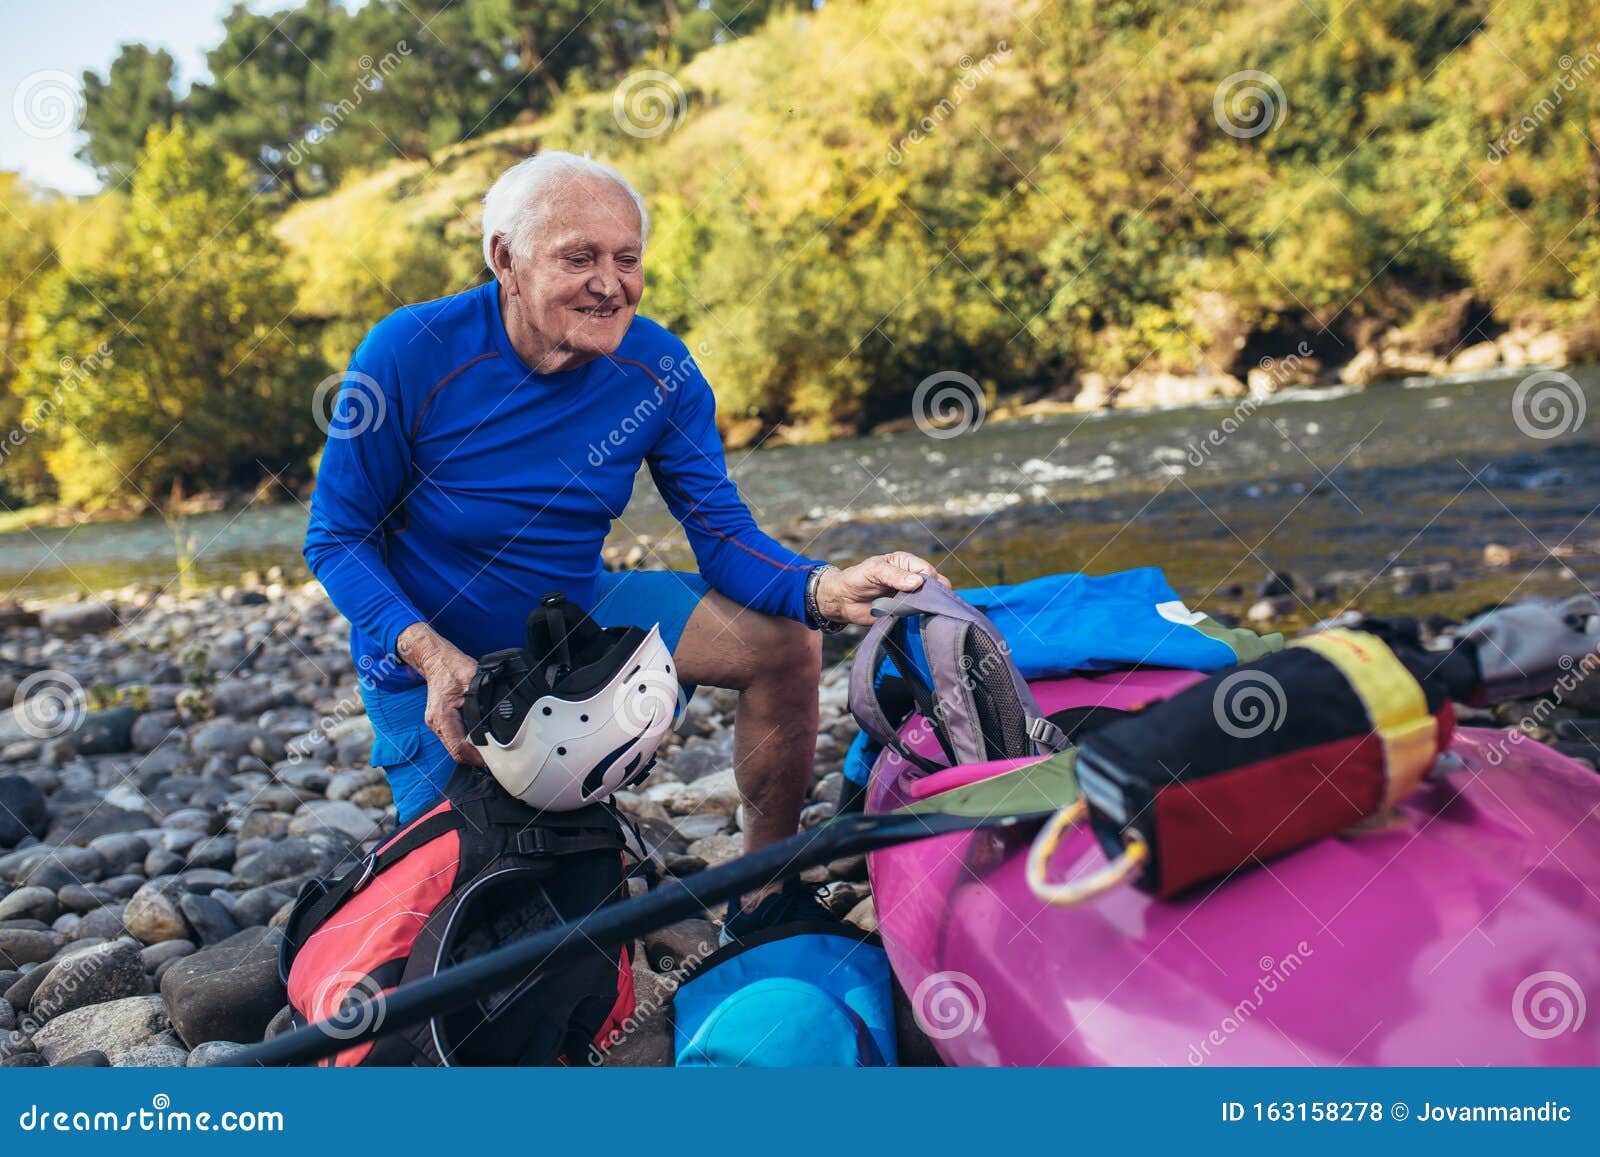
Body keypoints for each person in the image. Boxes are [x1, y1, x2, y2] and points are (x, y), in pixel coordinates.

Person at [304, 150, 948, 938]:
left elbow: (721, 531)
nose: (610, 283)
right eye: (579, 257)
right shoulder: (408, 352)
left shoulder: (660, 368)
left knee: (785, 643)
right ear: (504, 258)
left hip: (573, 619)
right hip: (436, 668)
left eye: (627, 258)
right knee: (494, 919)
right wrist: (430, 655)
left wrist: (822, 587)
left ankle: (763, 897)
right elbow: (335, 538)